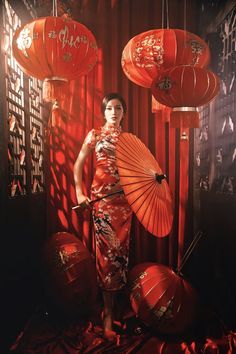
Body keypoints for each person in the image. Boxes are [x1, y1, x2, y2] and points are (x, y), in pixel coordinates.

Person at [73, 92, 133, 340]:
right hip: (102, 201)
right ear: (103, 111)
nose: (114, 112)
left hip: (125, 203)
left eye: (118, 108)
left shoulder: (130, 140)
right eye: (109, 108)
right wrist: (79, 193)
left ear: (123, 113)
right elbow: (78, 165)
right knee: (107, 257)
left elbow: (138, 170)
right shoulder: (94, 135)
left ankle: (113, 311)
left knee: (120, 257)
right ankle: (107, 317)